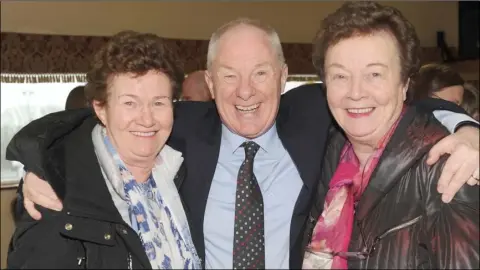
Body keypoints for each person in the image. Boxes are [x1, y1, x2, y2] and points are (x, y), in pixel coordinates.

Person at [8, 18, 480, 269]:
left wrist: (467, 131)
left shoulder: (318, 114)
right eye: (229, 77)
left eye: (260, 74)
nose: (246, 92)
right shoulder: (180, 127)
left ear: (282, 77)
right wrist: (39, 161)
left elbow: (402, 104)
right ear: (210, 83)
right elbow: (90, 118)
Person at [302, 2, 479, 269]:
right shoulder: (330, 152)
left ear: (404, 83)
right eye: (340, 76)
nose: (356, 92)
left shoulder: (448, 169)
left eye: (374, 74)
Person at [7, 30, 201, 269]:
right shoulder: (57, 197)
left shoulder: (181, 172)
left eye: (159, 102)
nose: (147, 119)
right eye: (130, 103)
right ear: (100, 109)